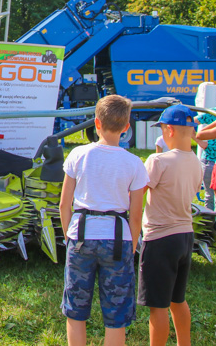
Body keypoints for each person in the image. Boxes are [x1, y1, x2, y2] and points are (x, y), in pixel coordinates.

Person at [59, 95, 149, 346]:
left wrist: (69, 236)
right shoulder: (134, 163)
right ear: (127, 126)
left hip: (81, 237)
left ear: (96, 123)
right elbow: (136, 213)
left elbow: (64, 204)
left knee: (76, 311)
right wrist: (131, 246)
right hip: (118, 239)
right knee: (116, 315)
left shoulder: (78, 154)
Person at [139, 105, 204, 346]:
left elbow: (138, 192)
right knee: (178, 300)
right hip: (186, 236)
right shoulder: (196, 162)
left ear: (169, 130)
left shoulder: (158, 160)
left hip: (160, 237)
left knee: (158, 306)